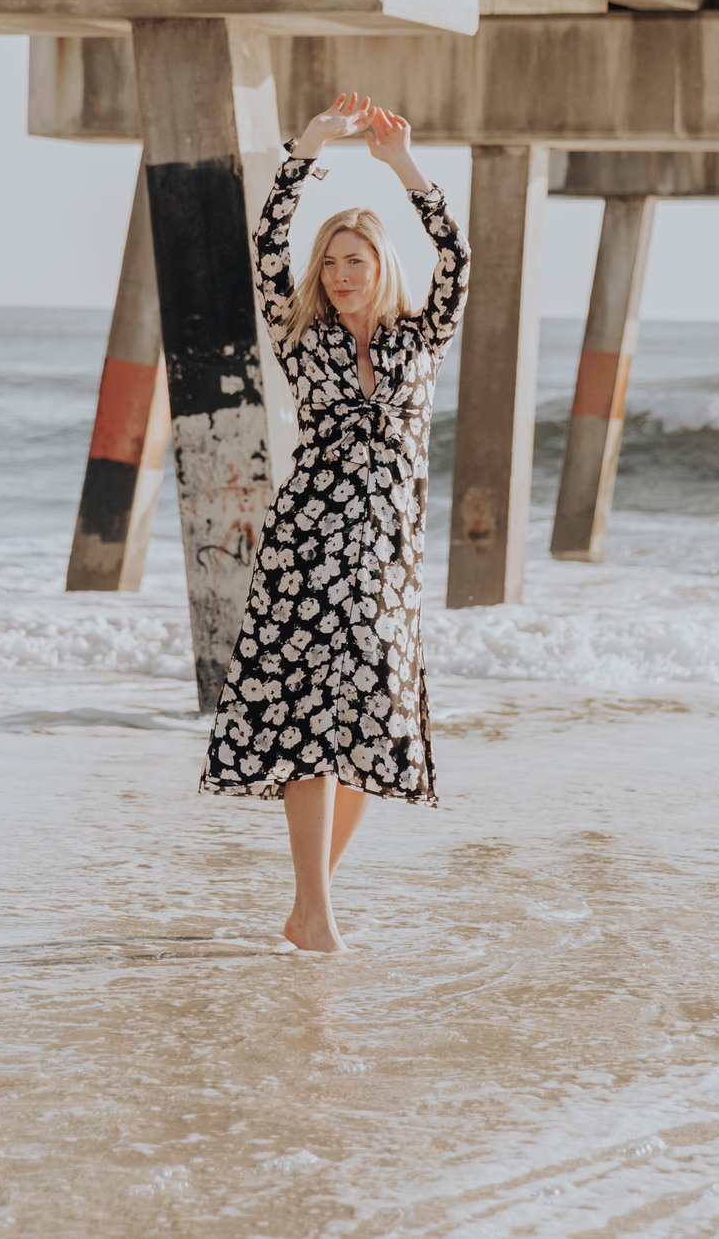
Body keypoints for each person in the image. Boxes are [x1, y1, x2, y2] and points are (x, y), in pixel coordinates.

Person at [199, 94, 470, 954]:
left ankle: (307, 901)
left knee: (373, 725)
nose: (341, 274)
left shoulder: (420, 339)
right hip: (308, 550)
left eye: (355, 259)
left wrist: (401, 164)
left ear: (381, 263)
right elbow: (266, 243)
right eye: (331, 263)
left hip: (387, 558)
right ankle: (316, 914)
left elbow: (456, 256)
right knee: (313, 725)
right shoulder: (299, 336)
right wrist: (307, 149)